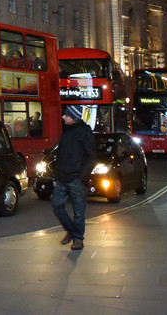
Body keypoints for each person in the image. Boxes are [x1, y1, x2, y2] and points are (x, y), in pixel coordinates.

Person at [52, 105, 96, 251]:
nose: (63, 117)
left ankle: (78, 240)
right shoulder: (66, 131)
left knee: (78, 212)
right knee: (57, 205)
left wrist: (81, 177)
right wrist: (56, 176)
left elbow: (91, 158)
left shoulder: (85, 133)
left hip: (76, 179)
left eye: (66, 115)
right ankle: (71, 230)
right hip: (62, 178)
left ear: (74, 117)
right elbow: (61, 156)